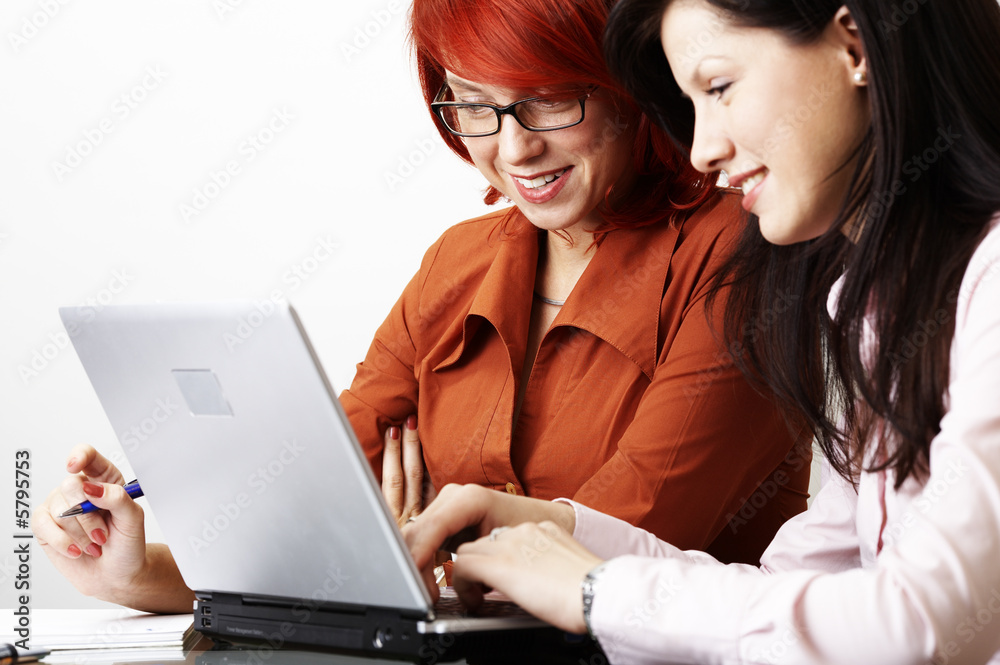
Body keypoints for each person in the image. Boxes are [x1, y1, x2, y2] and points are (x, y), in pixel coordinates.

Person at [32, 0, 810, 613]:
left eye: (549, 102)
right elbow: (307, 506)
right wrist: (134, 572)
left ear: (631, 91)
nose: (514, 149)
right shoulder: (458, 261)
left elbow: (623, 545)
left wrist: (410, 558)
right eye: (474, 105)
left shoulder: (741, 249)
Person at [401, 0, 1000, 664]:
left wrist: (595, 589)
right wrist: (558, 528)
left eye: (719, 87)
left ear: (855, 46)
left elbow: (926, 624)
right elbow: (789, 591)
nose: (703, 149)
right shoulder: (884, 312)